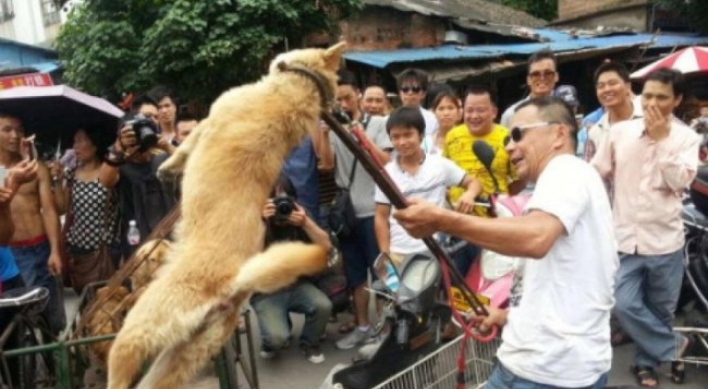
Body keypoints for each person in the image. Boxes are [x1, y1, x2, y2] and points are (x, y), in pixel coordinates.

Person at [394, 96, 618, 389]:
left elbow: (535, 238)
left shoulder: (565, 169)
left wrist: (443, 220)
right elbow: (567, 283)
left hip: (546, 374)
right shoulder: (571, 179)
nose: (509, 146)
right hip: (542, 365)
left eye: (518, 134)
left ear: (559, 134)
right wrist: (506, 314)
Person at [592, 68, 699, 387]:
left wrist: (662, 142)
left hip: (665, 240)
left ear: (677, 100)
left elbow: (680, 182)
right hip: (624, 238)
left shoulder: (687, 138)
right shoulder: (620, 133)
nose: (652, 102)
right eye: (648, 95)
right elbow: (596, 171)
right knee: (623, 303)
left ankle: (646, 362)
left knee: (660, 309)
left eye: (661, 97)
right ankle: (675, 347)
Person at [319, 69, 392, 348]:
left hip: (376, 214)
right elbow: (326, 165)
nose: (344, 105)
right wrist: (325, 135)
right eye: (338, 101)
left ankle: (386, 329)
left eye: (348, 98)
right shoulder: (334, 126)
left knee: (384, 273)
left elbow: (386, 162)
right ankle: (362, 327)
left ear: (358, 95)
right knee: (356, 276)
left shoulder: (380, 123)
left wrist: (359, 133)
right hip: (348, 216)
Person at [374, 106, 480, 266]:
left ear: (421, 134)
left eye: (408, 135)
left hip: (437, 250)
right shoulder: (386, 175)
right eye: (395, 137)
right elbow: (381, 217)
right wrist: (385, 254)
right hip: (399, 254)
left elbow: (474, 182)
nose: (402, 142)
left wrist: (470, 194)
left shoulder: (439, 164)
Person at [251, 173, 332, 364]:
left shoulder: (298, 216)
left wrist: (306, 223)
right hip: (266, 291)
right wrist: (261, 223)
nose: (281, 204)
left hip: (296, 285)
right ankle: (270, 340)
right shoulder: (255, 219)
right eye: (274, 198)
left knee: (323, 306)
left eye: (285, 198)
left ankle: (309, 343)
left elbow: (327, 246)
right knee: (277, 339)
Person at [0, 113, 66, 335]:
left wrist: (55, 250)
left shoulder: (36, 168)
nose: (14, 135)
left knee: (54, 318)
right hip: (14, 254)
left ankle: (55, 364)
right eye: (7, 130)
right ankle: (32, 368)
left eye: (18, 130)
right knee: (23, 323)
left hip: (42, 246)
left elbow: (49, 210)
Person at [100, 102, 178, 257]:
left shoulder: (163, 159)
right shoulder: (120, 164)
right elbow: (105, 181)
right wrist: (119, 148)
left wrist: (168, 148)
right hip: (136, 244)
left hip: (170, 241)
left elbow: (191, 172)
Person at [50, 127, 121, 287]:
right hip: (77, 251)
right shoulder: (72, 173)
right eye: (74, 141)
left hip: (105, 250)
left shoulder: (110, 173)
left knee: (104, 302)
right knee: (83, 301)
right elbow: (62, 208)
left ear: (95, 145)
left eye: (80, 140)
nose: (75, 146)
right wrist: (57, 179)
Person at [585, 61, 643, 161]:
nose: (607, 89)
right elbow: (591, 171)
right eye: (601, 86)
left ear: (628, 87)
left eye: (612, 83)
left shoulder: (650, 117)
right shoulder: (596, 133)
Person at [500, 49, 559, 128]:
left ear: (556, 77)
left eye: (548, 73)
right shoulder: (512, 114)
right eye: (536, 74)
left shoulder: (564, 112)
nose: (542, 78)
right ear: (528, 80)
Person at [397, 68, 438, 136]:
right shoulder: (389, 118)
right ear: (399, 93)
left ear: (423, 94)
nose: (410, 93)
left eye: (416, 89)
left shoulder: (432, 118)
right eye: (405, 89)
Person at [424, 90, 462, 155]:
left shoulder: (466, 138)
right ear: (433, 112)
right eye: (441, 109)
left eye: (450, 108)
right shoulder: (427, 142)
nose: (446, 113)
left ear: (458, 112)